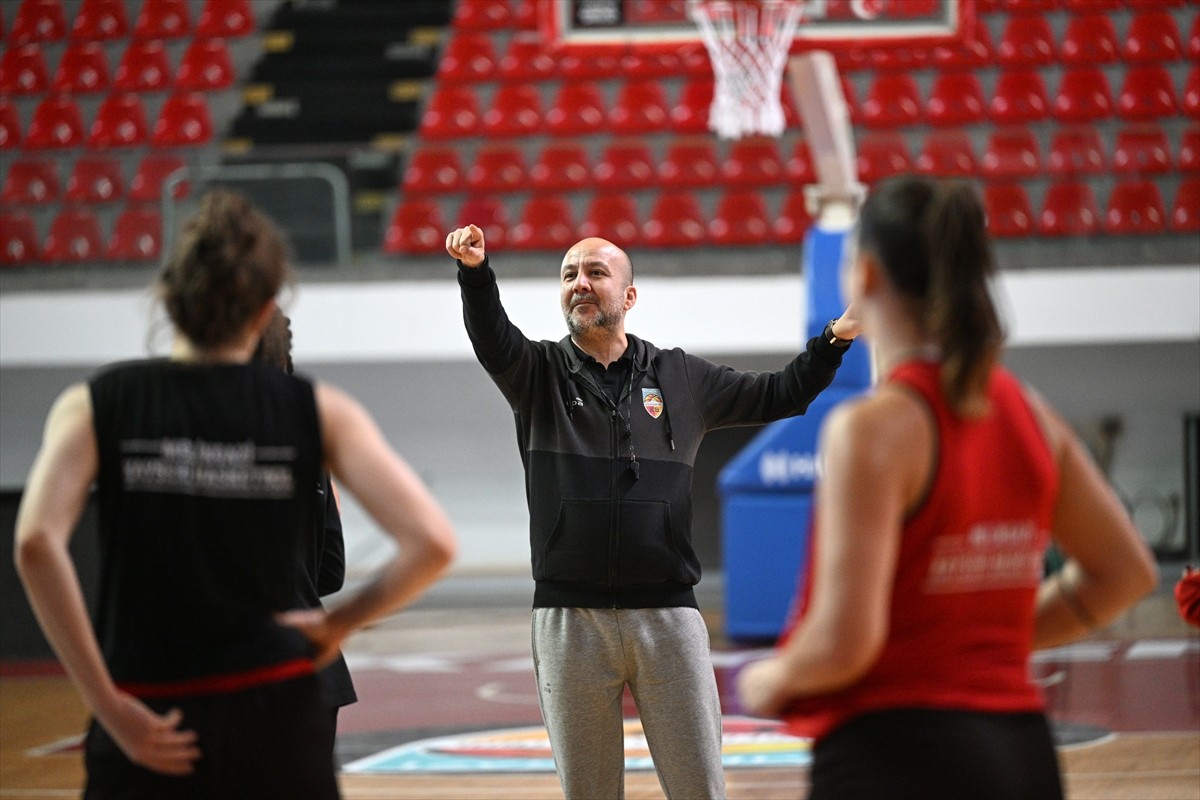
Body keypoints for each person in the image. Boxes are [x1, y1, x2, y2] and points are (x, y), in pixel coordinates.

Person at [15, 191, 457, 799]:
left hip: (152, 711)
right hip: (275, 711)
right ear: (266, 308)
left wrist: (108, 705)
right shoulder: (318, 410)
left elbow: (36, 543)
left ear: (169, 296)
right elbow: (432, 542)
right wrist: (338, 626)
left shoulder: (96, 402)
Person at [736, 175, 1159, 800]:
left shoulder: (874, 429)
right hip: (1022, 753)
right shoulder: (1032, 414)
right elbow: (1127, 574)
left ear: (867, 274)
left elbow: (845, 645)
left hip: (895, 755)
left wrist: (768, 680)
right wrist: (987, 642)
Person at [445, 224, 861, 799]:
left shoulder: (680, 377)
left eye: (595, 273)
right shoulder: (536, 374)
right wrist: (474, 273)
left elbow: (782, 392)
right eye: (569, 275)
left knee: (699, 789)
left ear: (629, 296)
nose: (580, 284)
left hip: (669, 620)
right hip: (570, 622)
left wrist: (836, 338)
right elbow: (491, 336)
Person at [253, 309, 358, 739]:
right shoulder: (312, 436)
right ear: (284, 359)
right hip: (315, 669)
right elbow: (330, 572)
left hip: (234, 672)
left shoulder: (193, 438)